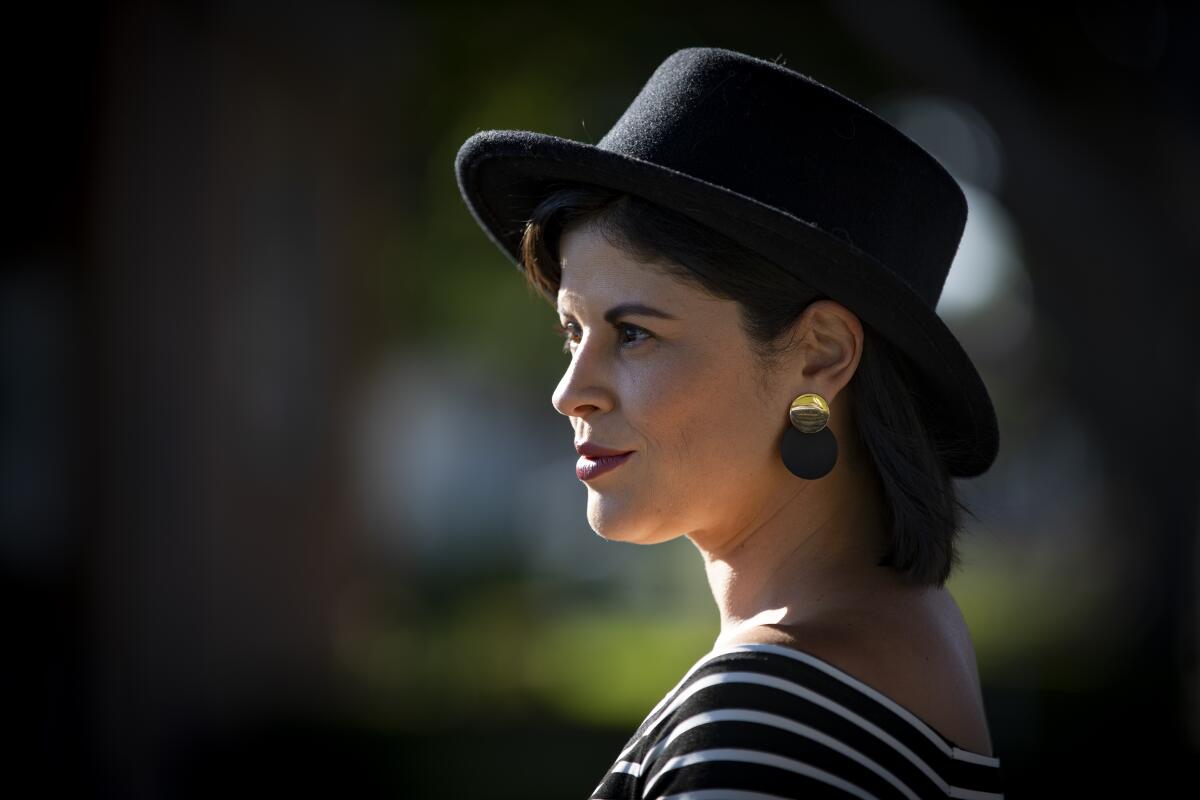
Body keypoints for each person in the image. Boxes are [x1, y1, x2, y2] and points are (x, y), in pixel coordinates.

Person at [455, 46, 1005, 799]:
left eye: (635, 333)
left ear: (820, 354)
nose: (570, 392)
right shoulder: (908, 628)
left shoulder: (761, 719)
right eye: (572, 332)